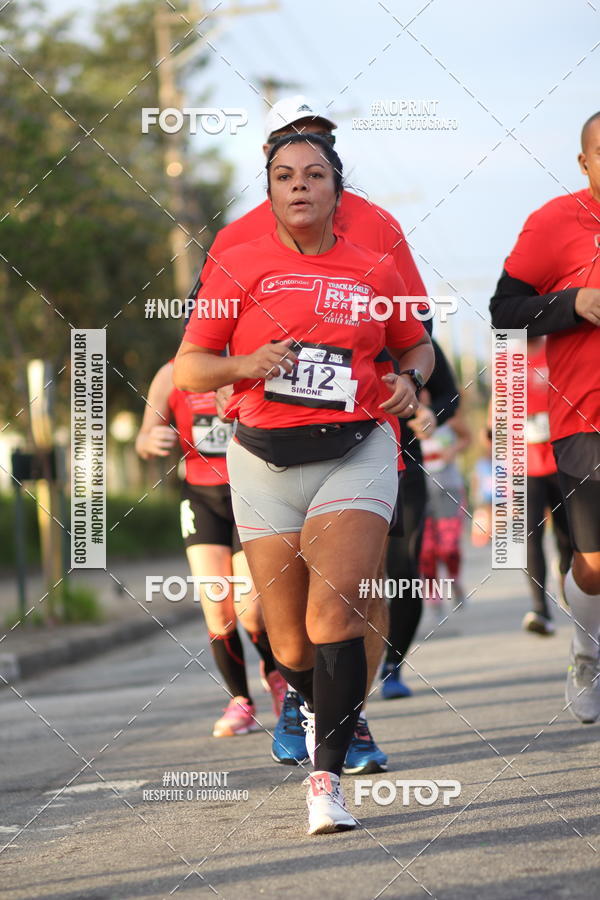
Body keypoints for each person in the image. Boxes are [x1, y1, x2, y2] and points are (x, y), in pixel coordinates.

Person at [174, 134, 434, 834]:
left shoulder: (372, 263)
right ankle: (312, 707)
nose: (299, 186)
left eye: (314, 175)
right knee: (289, 645)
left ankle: (327, 780)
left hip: (359, 445)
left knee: (334, 618)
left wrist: (410, 380)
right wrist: (247, 364)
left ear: (335, 191)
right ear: (270, 190)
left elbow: (416, 342)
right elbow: (191, 368)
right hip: (261, 456)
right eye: (284, 176)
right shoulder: (238, 257)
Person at [490, 111, 600, 723]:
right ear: (584, 163)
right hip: (586, 416)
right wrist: (574, 303)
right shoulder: (554, 223)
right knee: (592, 564)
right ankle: (588, 649)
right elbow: (504, 309)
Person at [135, 361, 286, 737]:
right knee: (217, 607)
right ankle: (240, 701)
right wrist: (150, 441)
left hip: (252, 491)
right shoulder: (169, 374)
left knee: (251, 610)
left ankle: (278, 675)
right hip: (201, 495)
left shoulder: (251, 360)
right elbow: (143, 437)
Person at [379, 340, 460, 698]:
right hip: (335, 463)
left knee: (402, 569)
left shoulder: (409, 333)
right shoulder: (325, 318)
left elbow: (449, 394)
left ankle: (391, 664)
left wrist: (432, 415)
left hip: (403, 465)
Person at [522, 337, 572, 636]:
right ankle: (539, 609)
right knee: (530, 536)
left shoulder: (558, 349)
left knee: (568, 536)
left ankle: (567, 576)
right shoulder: (507, 359)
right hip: (526, 465)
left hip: (563, 460)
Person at [419, 397, 471, 622]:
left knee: (449, 547)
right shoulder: (405, 415)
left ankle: (455, 579)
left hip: (449, 487)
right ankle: (433, 594)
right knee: (426, 549)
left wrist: (454, 449)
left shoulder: (447, 415)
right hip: (419, 490)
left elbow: (467, 437)